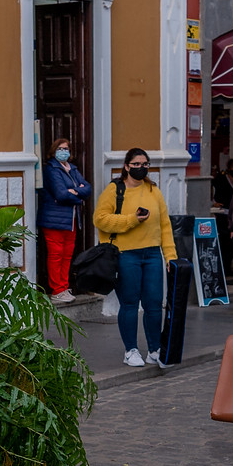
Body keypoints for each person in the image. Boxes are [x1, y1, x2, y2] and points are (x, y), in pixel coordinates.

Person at [92, 148, 177, 368]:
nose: (141, 168)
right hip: (125, 254)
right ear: (127, 166)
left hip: (152, 254)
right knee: (129, 303)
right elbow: (100, 219)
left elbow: (165, 225)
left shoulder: (153, 191)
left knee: (154, 304)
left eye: (145, 164)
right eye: (137, 164)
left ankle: (154, 350)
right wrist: (132, 220)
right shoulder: (114, 190)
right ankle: (130, 350)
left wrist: (170, 256)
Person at [38, 138, 92, 305]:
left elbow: (88, 188)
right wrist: (78, 194)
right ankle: (57, 290)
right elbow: (60, 194)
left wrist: (73, 191)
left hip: (71, 220)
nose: (64, 151)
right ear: (53, 151)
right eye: (60, 148)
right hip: (54, 220)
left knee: (67, 255)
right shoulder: (51, 169)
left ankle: (64, 286)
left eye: (66, 148)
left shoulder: (72, 169)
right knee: (56, 255)